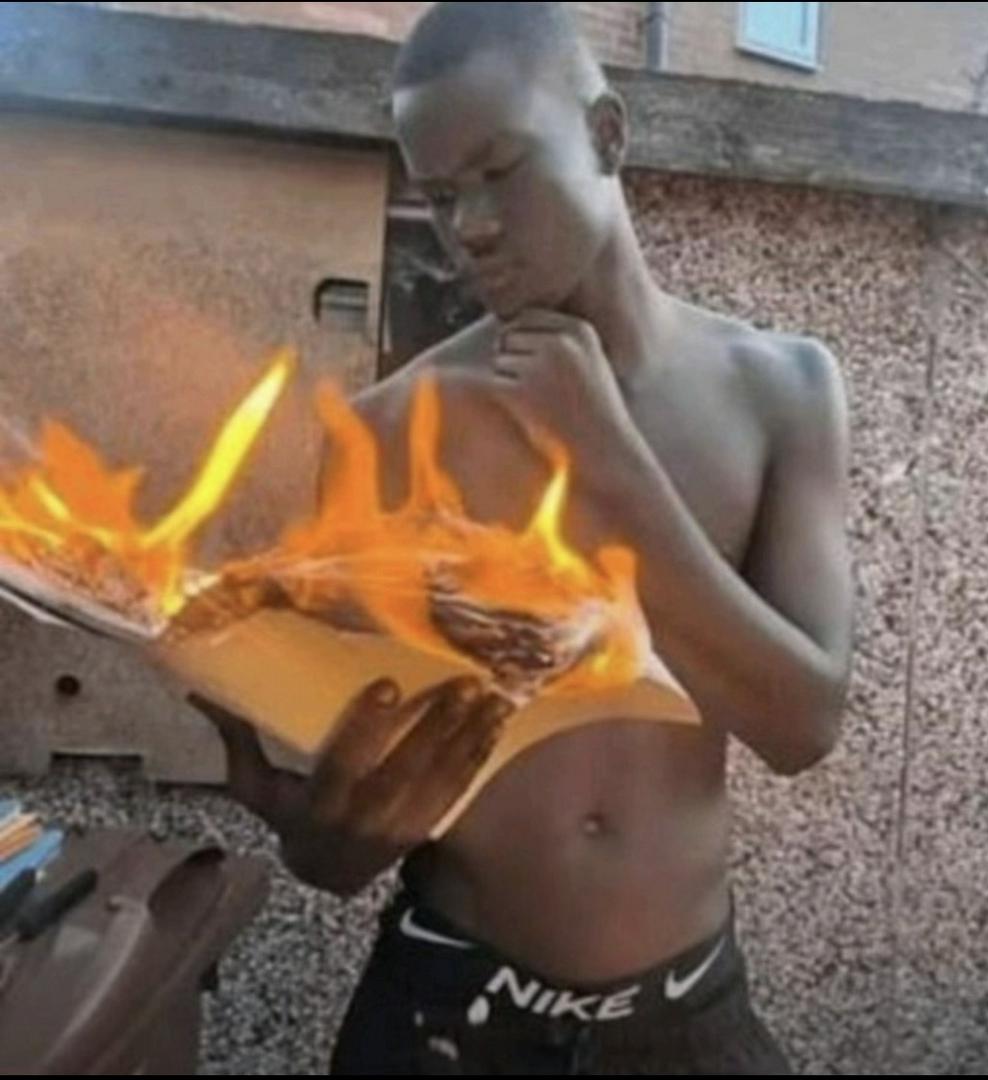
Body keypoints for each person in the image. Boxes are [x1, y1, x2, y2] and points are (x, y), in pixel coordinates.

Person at [193, 3, 854, 1073]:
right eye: (442, 194)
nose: (473, 227)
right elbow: (344, 847)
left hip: (686, 1018)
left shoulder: (783, 389)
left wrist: (609, 465)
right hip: (446, 1012)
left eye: (501, 171)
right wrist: (322, 833)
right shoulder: (391, 431)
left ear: (605, 134)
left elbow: (803, 722)